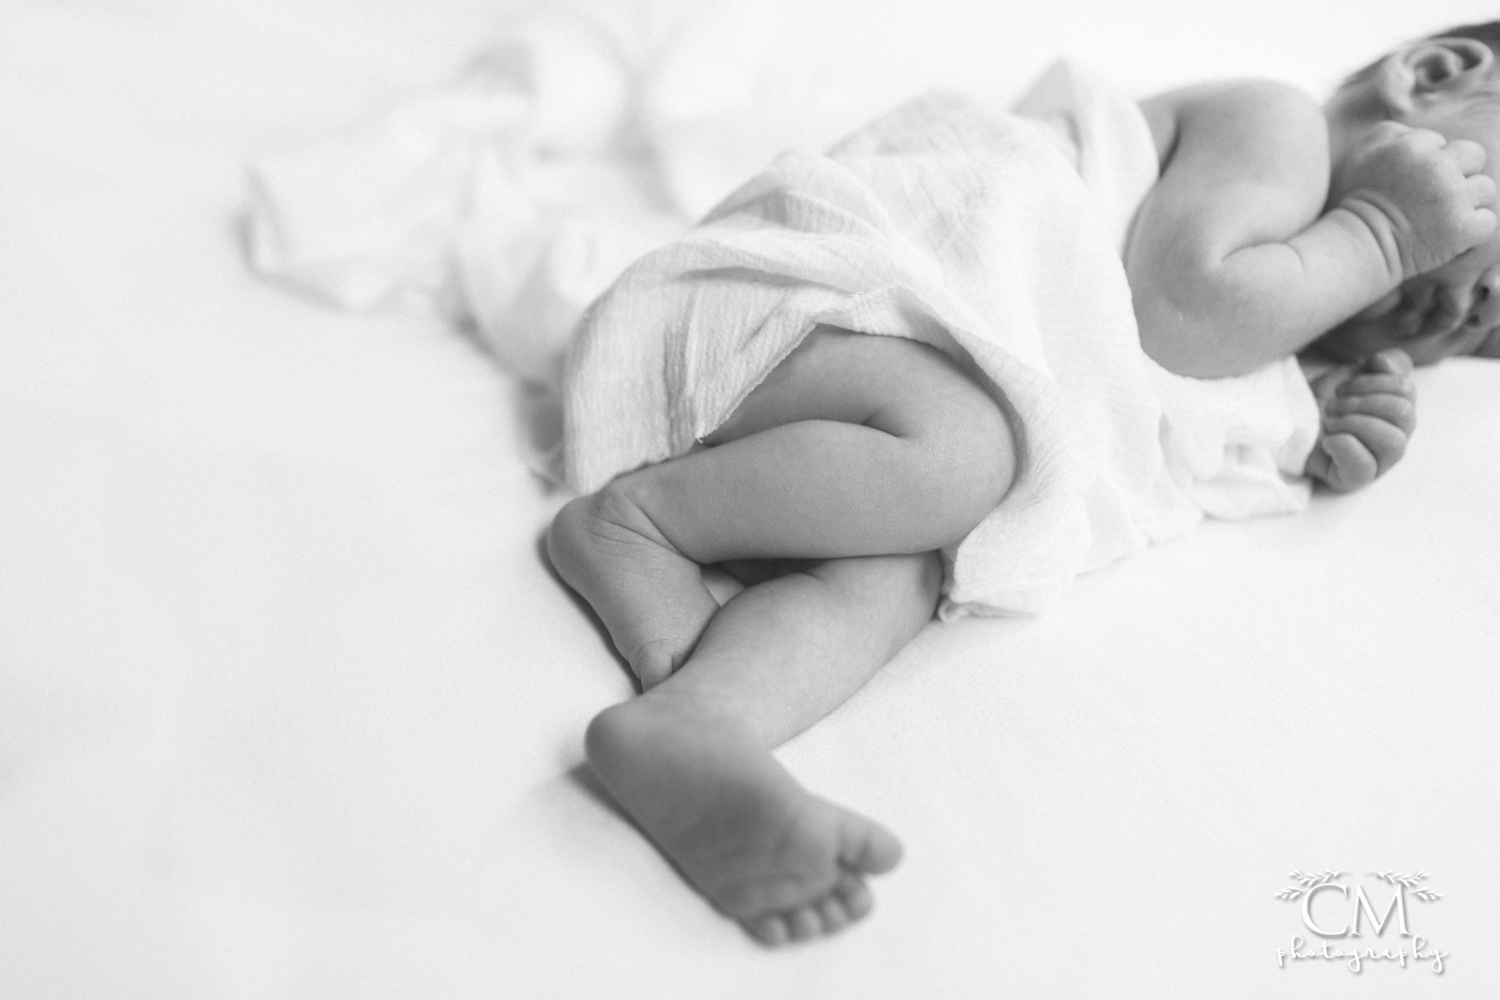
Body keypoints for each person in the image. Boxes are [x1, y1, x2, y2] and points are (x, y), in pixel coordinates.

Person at [546, 23, 1500, 945]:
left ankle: (696, 724)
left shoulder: (1292, 328)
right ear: (1438, 74)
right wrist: (1378, 233)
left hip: (858, 426)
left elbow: (1173, 386)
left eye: (1490, 329)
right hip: (823, 296)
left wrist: (1305, 420)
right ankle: (643, 520)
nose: (1471, 311)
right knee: (964, 457)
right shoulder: (1281, 132)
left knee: (910, 573)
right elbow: (1182, 311)